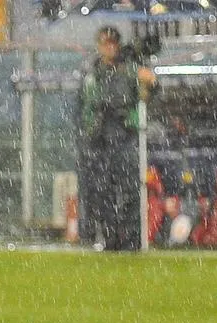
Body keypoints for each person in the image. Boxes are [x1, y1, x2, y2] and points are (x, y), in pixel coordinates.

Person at [77, 26, 156, 251]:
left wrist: (149, 84)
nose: (109, 47)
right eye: (105, 43)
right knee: (103, 193)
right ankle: (110, 239)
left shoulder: (130, 70)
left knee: (130, 189)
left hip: (125, 135)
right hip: (101, 137)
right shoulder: (93, 73)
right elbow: (87, 106)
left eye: (113, 43)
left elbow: (145, 97)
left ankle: (131, 240)